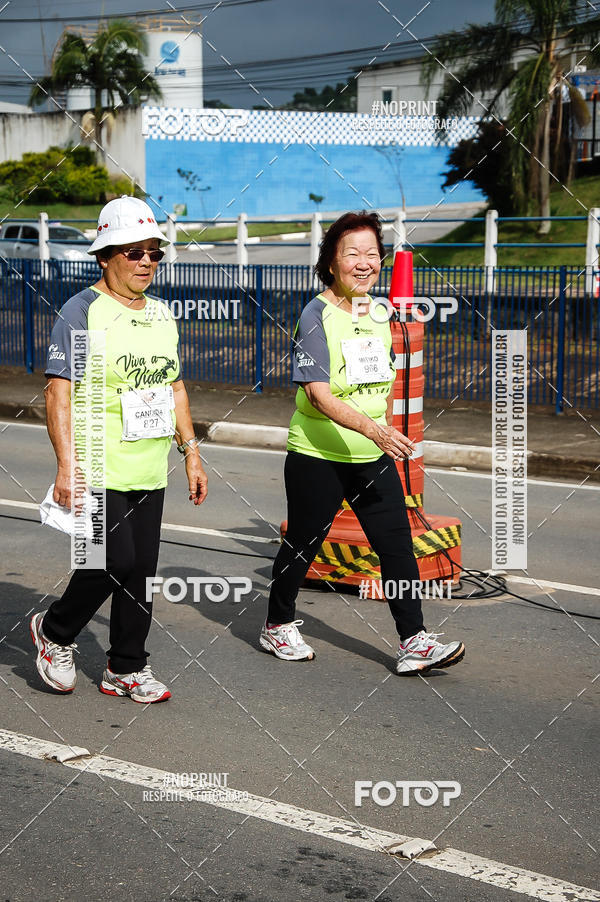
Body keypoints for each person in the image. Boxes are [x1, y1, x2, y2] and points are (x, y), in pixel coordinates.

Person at [260, 211, 465, 675]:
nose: (364, 262)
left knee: (396, 546)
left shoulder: (380, 313)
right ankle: (277, 624)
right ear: (331, 262)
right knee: (303, 545)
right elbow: (318, 392)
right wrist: (375, 430)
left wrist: (383, 431)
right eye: (352, 253)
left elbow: (380, 385)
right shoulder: (316, 314)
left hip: (370, 456)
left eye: (372, 254)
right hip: (319, 454)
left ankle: (414, 640)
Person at [30, 196, 208, 703]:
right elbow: (58, 390)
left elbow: (173, 387)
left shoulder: (160, 315)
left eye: (155, 252)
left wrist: (190, 453)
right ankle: (55, 631)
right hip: (96, 464)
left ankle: (127, 666)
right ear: (105, 255)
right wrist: (67, 465)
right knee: (112, 561)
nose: (147, 262)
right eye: (134, 252)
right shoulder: (84, 311)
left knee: (142, 574)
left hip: (149, 466)